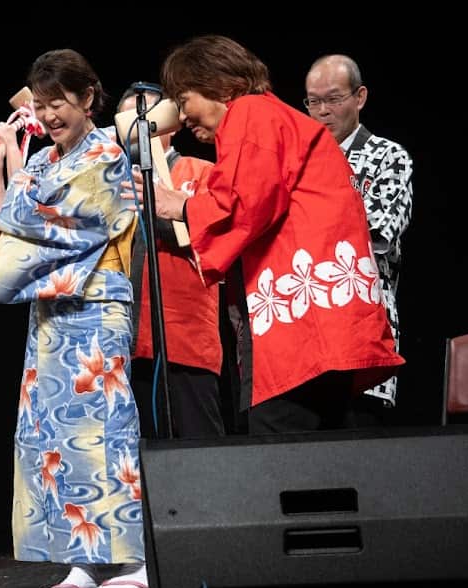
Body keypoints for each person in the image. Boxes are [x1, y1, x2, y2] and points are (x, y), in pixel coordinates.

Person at [130, 35, 403, 433]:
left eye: (184, 99)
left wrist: (178, 205)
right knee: (317, 463)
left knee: (278, 457)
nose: (183, 116)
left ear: (219, 86)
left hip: (306, 329)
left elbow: (245, 202)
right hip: (325, 322)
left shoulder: (250, 113)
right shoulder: (276, 116)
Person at [0, 50, 145, 588]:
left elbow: (49, 224)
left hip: (95, 304)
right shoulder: (41, 163)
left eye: (58, 101)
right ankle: (81, 559)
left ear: (88, 98)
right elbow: (5, 223)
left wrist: (19, 200)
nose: (49, 113)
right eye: (40, 104)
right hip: (50, 312)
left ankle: (136, 557)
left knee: (104, 431)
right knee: (49, 435)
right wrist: (1, 169)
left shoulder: (107, 154)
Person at [304, 54, 413, 422]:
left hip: (362, 327)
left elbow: (380, 232)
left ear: (360, 97)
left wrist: (311, 224)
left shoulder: (388, 157)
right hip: (306, 331)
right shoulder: (297, 162)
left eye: (333, 99)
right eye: (313, 101)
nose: (322, 111)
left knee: (358, 451)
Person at [116, 86, 224, 438]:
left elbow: (220, 243)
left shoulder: (203, 173)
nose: (138, 129)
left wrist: (164, 208)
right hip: (123, 347)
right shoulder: (110, 185)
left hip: (186, 342)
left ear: (173, 124)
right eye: (128, 120)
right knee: (135, 471)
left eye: (147, 119)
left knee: (199, 461)